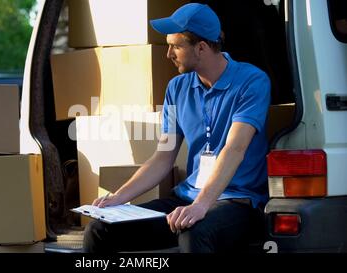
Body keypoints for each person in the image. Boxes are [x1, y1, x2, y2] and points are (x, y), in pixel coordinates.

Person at [83, 3, 271, 253]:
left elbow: (234, 148)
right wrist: (119, 197)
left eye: (176, 46)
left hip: (236, 201)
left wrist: (201, 205)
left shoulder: (252, 81)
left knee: (194, 234)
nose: (168, 54)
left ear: (201, 48)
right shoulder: (176, 87)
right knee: (99, 230)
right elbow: (163, 156)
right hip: (186, 198)